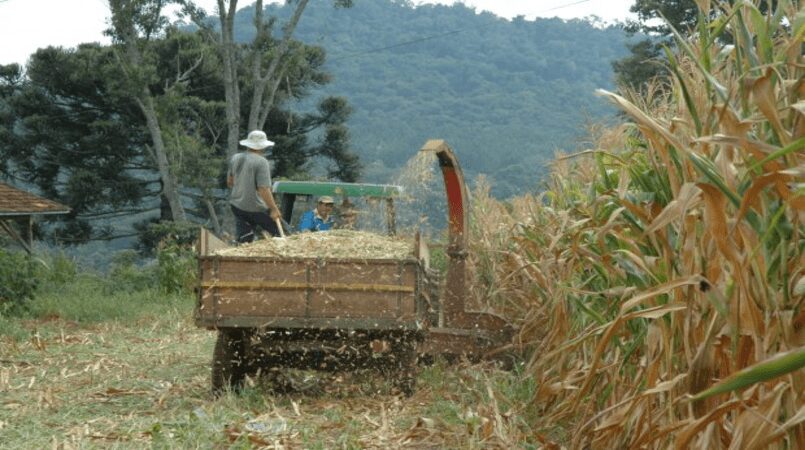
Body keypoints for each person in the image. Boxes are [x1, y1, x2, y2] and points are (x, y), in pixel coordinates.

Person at [227, 130, 281, 243]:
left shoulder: (235, 158)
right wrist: (274, 209)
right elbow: (263, 189)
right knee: (280, 233)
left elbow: (230, 182)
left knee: (245, 238)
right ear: (263, 146)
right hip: (256, 208)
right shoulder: (261, 162)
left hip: (237, 206)